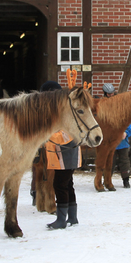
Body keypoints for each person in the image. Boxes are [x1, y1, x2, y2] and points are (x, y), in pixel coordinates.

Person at [40, 80, 82, 229]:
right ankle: (72, 217)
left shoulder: (65, 111)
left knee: (60, 185)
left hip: (65, 152)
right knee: (68, 184)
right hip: (63, 153)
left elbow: (67, 134)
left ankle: (61, 219)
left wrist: (47, 137)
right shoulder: (59, 108)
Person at [112, 123, 131, 188]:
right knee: (110, 162)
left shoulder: (124, 117)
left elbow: (129, 126)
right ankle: (107, 179)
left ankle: (126, 180)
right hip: (111, 144)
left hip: (123, 143)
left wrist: (126, 133)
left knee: (124, 162)